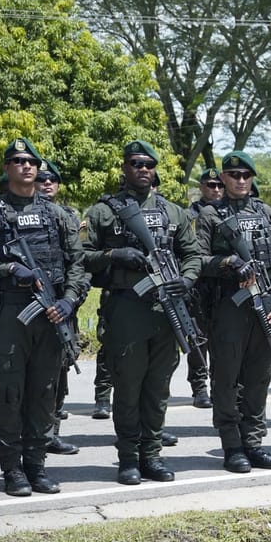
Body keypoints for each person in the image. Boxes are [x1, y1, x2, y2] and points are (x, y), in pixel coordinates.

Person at [0, 138, 87, 496]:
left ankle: (36, 466)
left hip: (52, 315)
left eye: (31, 161)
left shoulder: (56, 215)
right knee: (10, 395)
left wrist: (69, 301)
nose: (26, 166)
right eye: (17, 161)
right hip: (11, 315)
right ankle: (12, 469)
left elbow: (77, 265)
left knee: (44, 394)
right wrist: (8, 269)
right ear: (6, 168)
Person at [82, 140, 202, 485]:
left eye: (149, 164)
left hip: (166, 311)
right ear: (124, 167)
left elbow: (192, 255)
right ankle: (129, 459)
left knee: (157, 388)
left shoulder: (173, 212)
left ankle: (152, 455)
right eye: (136, 163)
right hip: (126, 310)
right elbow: (81, 257)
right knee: (128, 388)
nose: (143, 170)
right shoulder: (104, 211)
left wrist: (187, 279)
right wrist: (113, 257)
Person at [196, 151, 271, 473]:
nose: (240, 181)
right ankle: (232, 445)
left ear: (252, 178)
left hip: (266, 306)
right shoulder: (210, 215)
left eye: (245, 175)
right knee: (226, 378)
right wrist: (227, 263)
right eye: (234, 175)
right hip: (230, 308)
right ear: (223, 178)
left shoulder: (267, 214)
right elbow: (196, 260)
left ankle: (253, 443)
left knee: (258, 378)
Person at [34, 160, 82, 455]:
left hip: (62, 305)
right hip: (28, 302)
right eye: (41, 179)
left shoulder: (68, 216)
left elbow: (79, 263)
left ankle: (51, 434)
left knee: (60, 371)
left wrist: (72, 297)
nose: (47, 183)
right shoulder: (13, 214)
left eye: (52, 180)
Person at [184, 167, 224, 409]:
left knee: (223, 338)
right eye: (211, 185)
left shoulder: (226, 212)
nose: (216, 189)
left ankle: (221, 385)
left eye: (219, 185)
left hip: (223, 282)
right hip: (198, 284)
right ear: (201, 187)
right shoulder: (188, 216)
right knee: (198, 338)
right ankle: (199, 387)